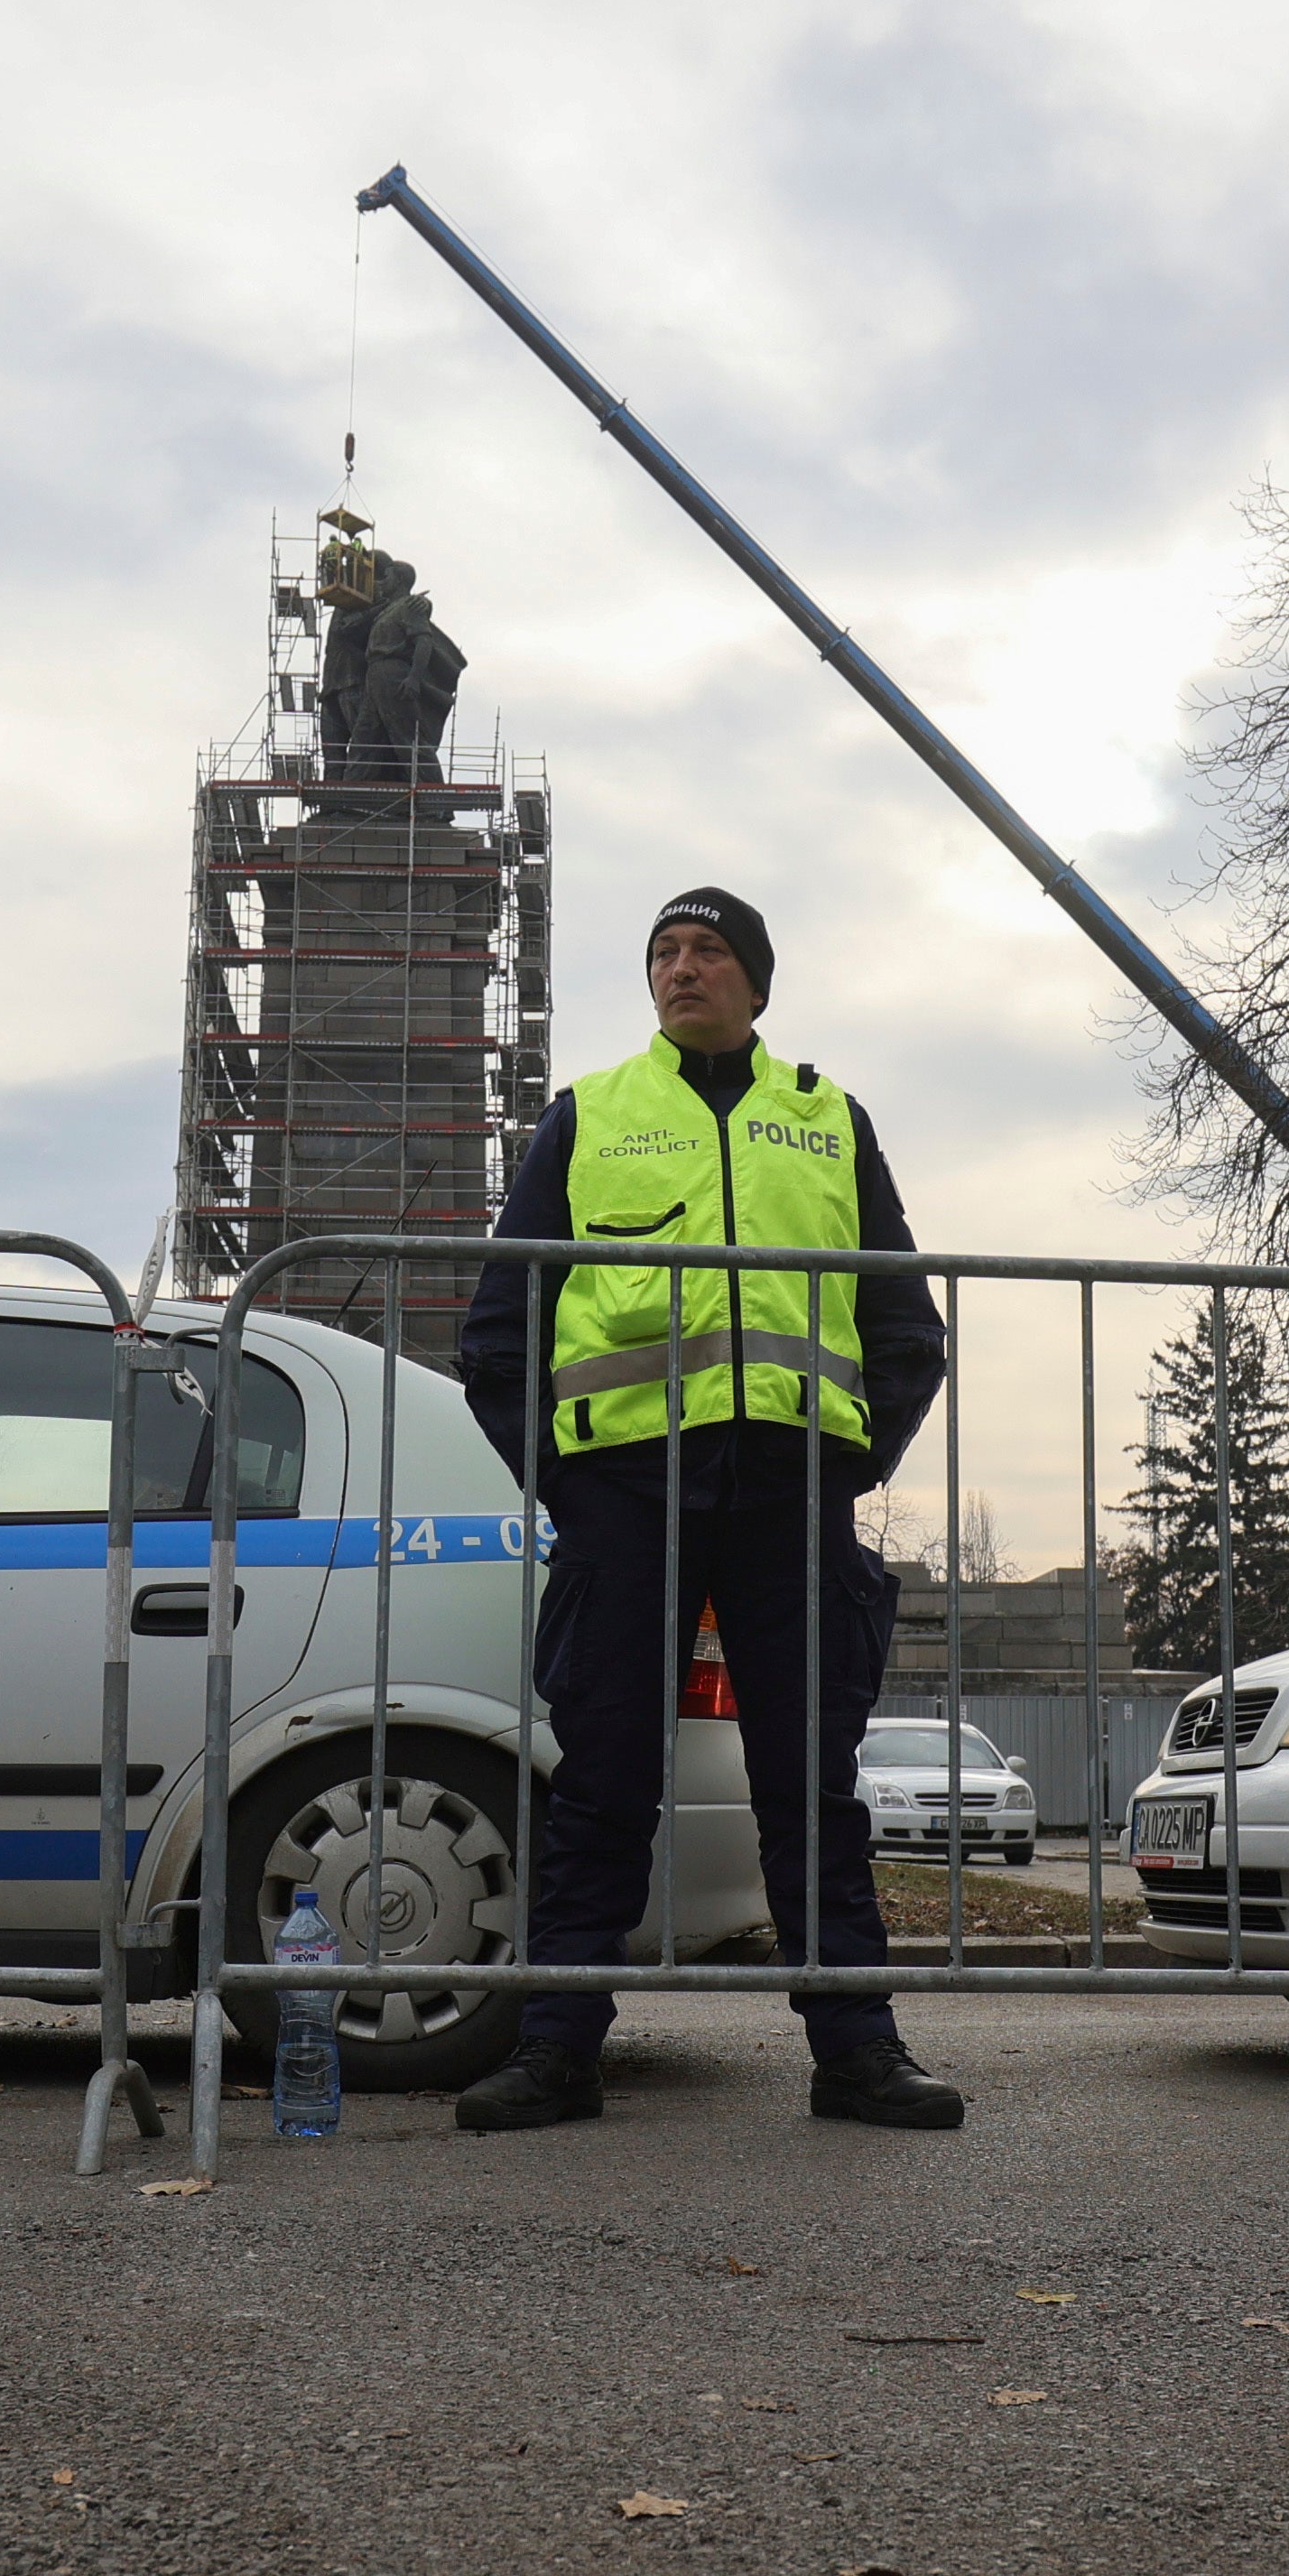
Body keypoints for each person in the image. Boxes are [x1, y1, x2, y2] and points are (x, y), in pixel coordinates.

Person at [450, 886, 962, 2132]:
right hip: (628, 1496)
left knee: (811, 1788)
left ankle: (858, 2051)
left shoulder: (829, 1121)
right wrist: (571, 1482)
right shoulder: (589, 1117)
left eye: (710, 950)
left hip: (789, 1492)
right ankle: (558, 2049)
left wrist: (846, 1470)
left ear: (756, 981)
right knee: (603, 1782)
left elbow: (905, 1330)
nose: (683, 968)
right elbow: (499, 1336)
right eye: (665, 952)